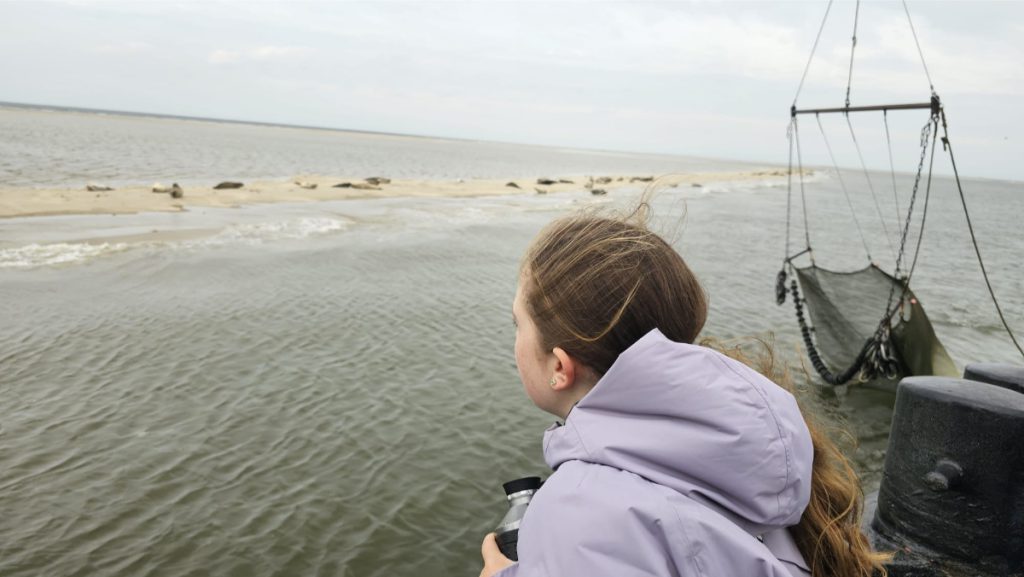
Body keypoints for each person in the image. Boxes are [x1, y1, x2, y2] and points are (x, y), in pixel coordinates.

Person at [479, 211, 890, 577]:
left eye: (518, 323)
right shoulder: (757, 450)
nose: (514, 339)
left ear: (559, 367)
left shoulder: (578, 511)